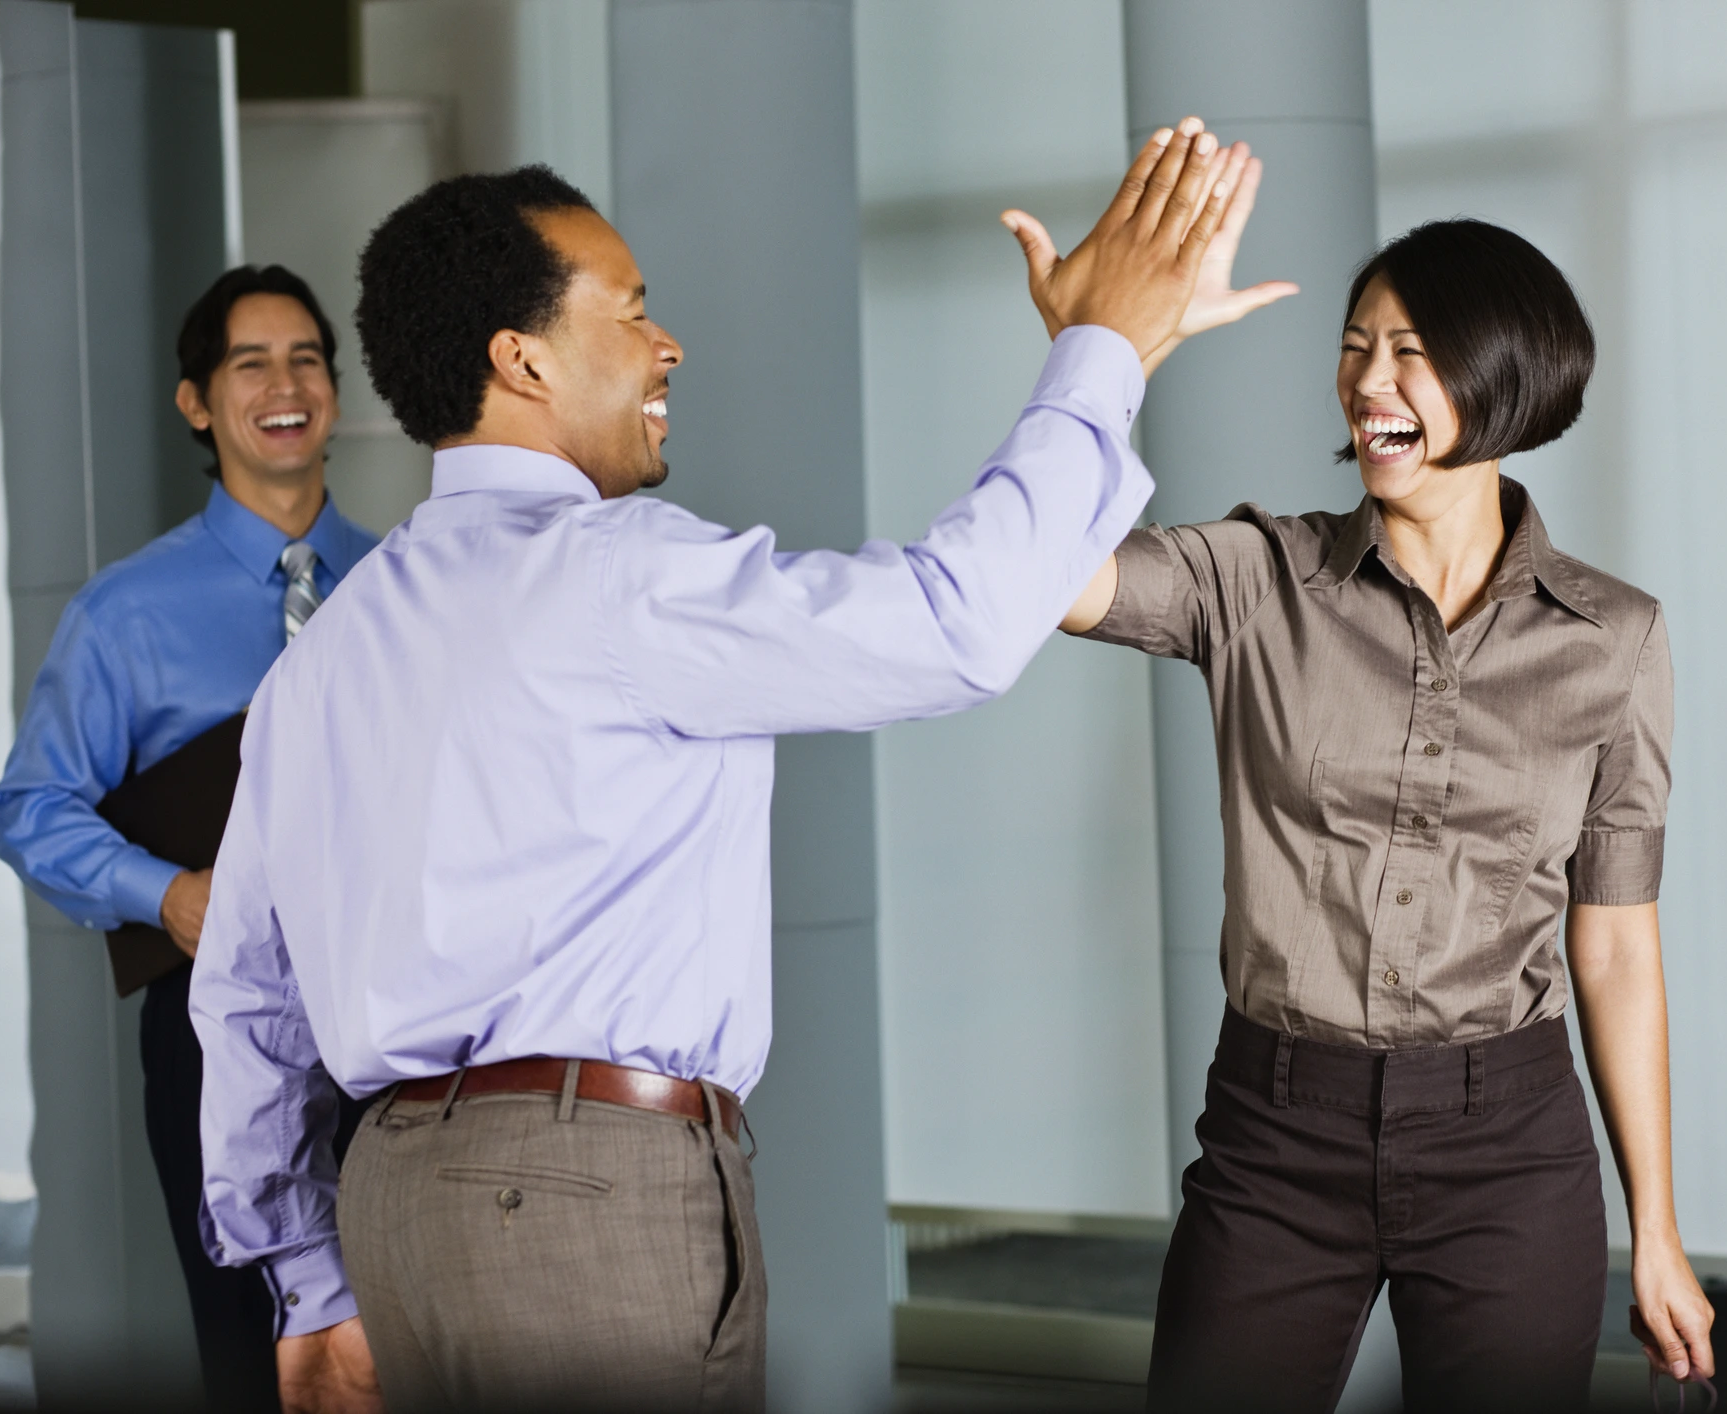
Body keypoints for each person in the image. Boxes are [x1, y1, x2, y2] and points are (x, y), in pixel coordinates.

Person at [190, 120, 1286, 1414]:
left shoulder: (326, 654)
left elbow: (247, 993)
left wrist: (309, 1281)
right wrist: (1104, 351)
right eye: (635, 310)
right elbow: (951, 624)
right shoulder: (619, 573)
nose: (668, 346)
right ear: (521, 355)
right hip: (589, 1193)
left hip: (393, 1213)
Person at [1059, 219, 1717, 1413]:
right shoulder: (1255, 577)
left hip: (1511, 1144)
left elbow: (1616, 939)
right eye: (1357, 346)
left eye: (1409, 350)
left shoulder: (1615, 639)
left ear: (1502, 376)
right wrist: (1096, 349)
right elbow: (1040, 577)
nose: (1368, 381)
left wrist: (1658, 1229)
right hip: (1274, 1132)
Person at [0, 266, 379, 1412]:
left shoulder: (405, 585)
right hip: (218, 1023)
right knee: (257, 1352)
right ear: (198, 404)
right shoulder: (125, 611)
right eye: (249, 363)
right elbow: (27, 804)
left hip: (403, 1020)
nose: (284, 383)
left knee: (412, 1333)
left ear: (335, 394)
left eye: (306, 357)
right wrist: (169, 895)